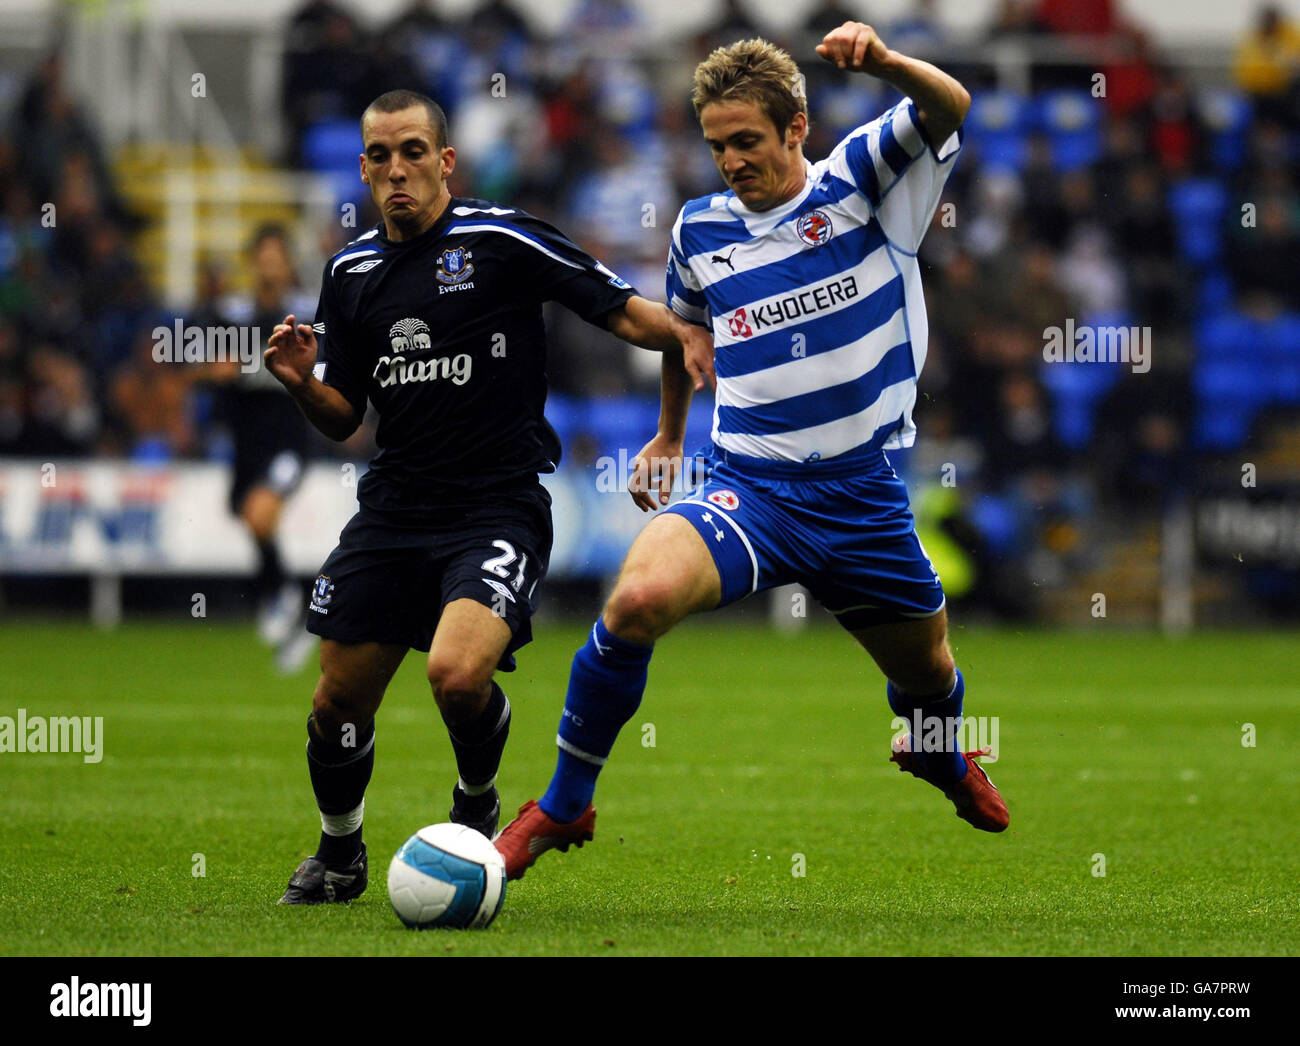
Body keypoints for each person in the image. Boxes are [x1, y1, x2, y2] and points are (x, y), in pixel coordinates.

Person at [495, 23, 1008, 882]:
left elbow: (950, 102)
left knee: (929, 677)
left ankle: (940, 755)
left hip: (863, 497)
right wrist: (667, 432)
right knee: (635, 601)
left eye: (748, 141)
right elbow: (681, 332)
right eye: (717, 144)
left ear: (796, 129)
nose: (732, 160)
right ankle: (564, 801)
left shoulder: (863, 180)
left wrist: (882, 63)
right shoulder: (698, 230)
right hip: (754, 488)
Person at [265, 89, 706, 904]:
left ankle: (475, 800)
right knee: (335, 702)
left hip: (496, 504)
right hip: (394, 510)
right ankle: (339, 853)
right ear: (363, 168)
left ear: (445, 161)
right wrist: (299, 384)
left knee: (456, 677)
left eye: (412, 151)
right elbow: (344, 416)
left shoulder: (501, 239)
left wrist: (686, 332)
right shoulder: (350, 272)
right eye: (379, 156)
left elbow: (619, 310)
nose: (396, 169)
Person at [197, 225, 318, 672]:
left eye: (277, 257)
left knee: (260, 511)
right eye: (262, 256)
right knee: (248, 514)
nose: (269, 265)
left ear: (287, 264)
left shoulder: (305, 317)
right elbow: (203, 365)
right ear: (253, 263)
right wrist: (216, 372)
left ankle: (283, 597)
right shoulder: (231, 315)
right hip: (244, 443)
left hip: (287, 441)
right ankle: (289, 609)